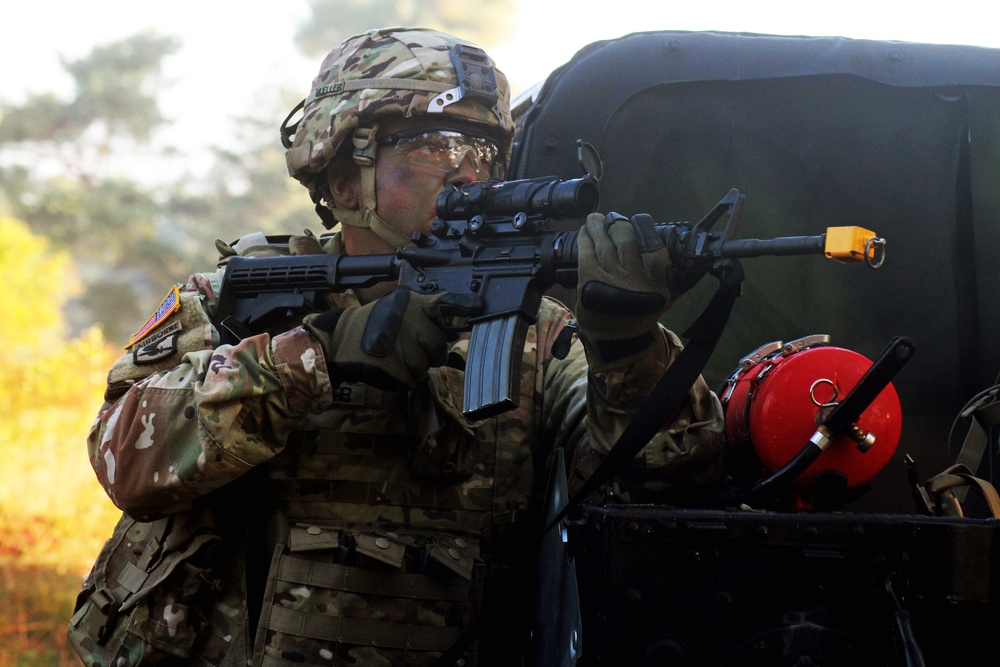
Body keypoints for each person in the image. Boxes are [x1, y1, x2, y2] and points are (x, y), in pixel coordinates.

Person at [74, 27, 724, 667]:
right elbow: (123, 459)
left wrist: (631, 348)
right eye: (435, 147)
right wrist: (316, 356)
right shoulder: (239, 299)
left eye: (484, 150)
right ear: (344, 177)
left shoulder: (536, 331)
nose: (468, 172)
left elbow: (660, 483)